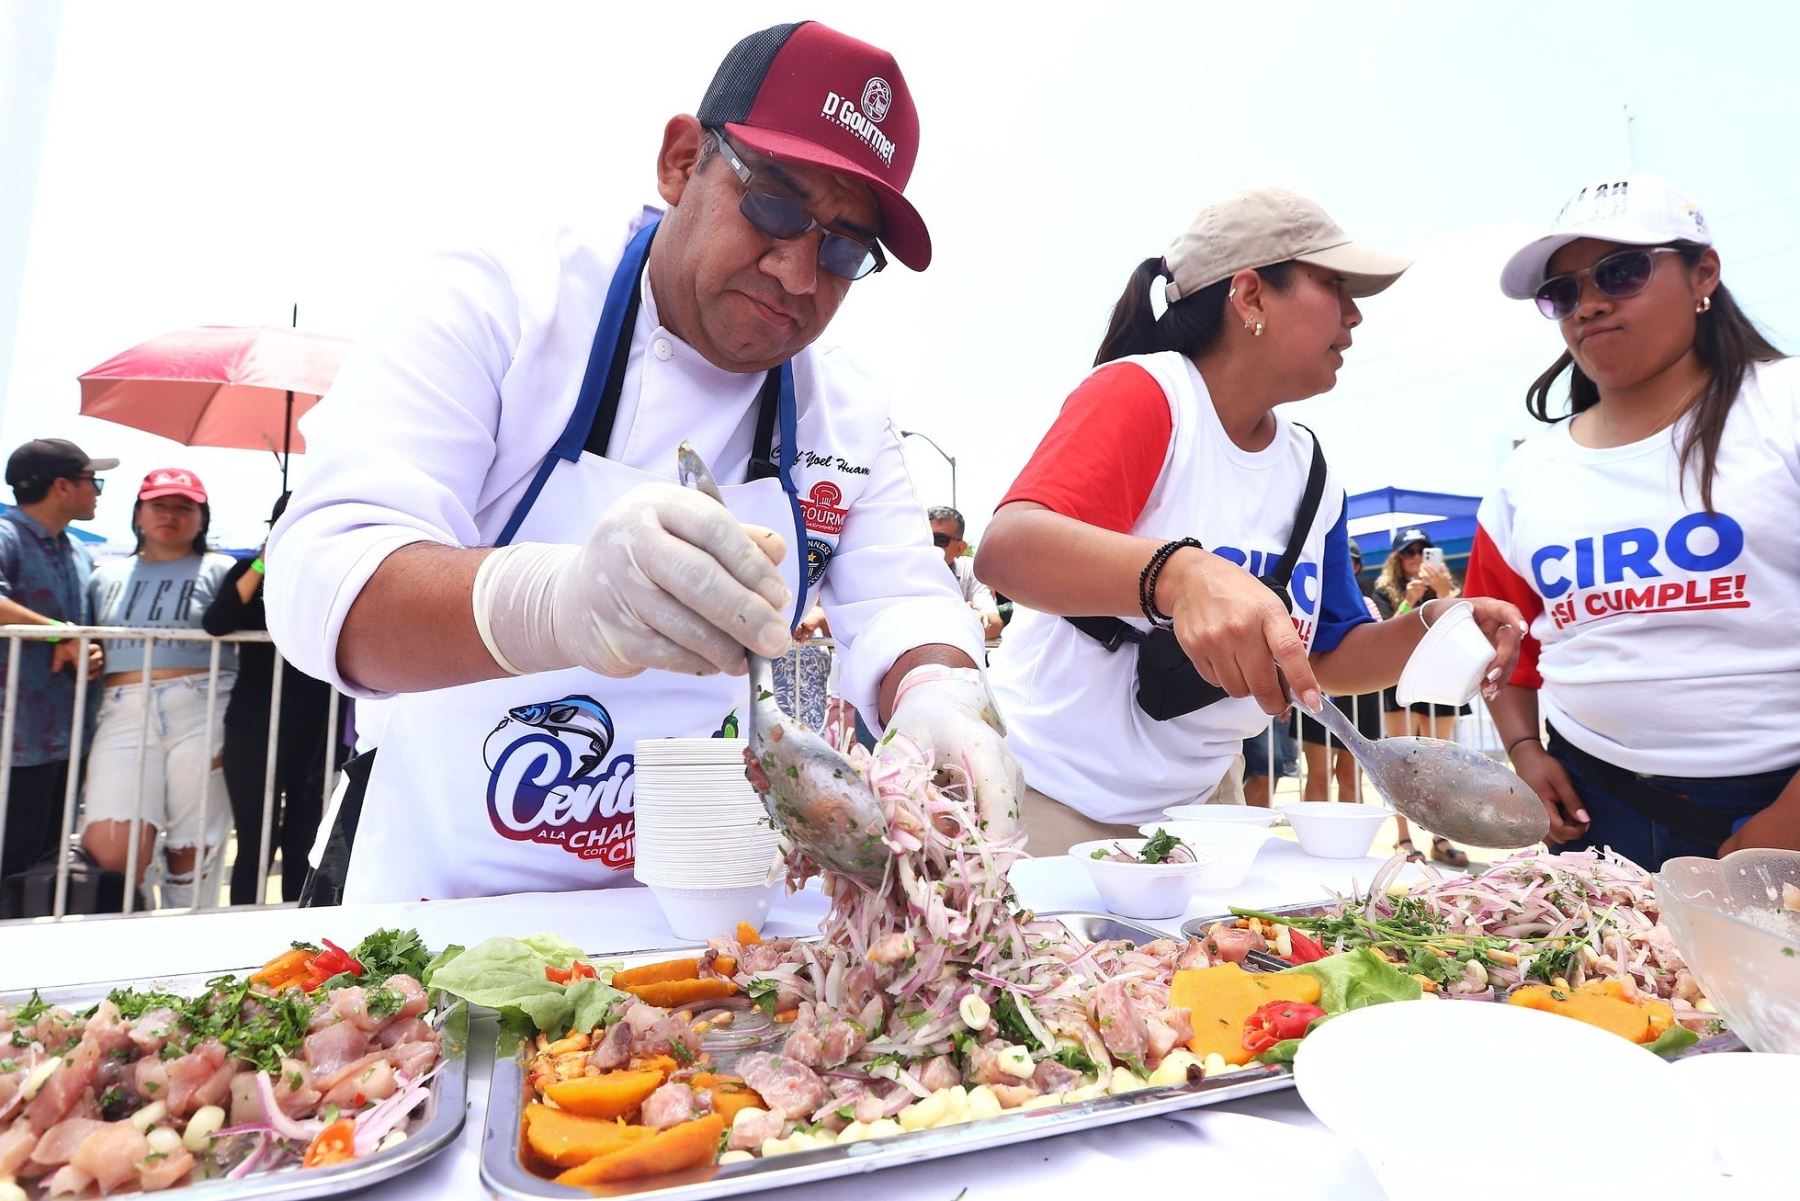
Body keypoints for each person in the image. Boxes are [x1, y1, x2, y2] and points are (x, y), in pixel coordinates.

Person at [264, 21, 1018, 903]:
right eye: (775, 204)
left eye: (847, 248)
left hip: (720, 922)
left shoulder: (841, 408)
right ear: (680, 160)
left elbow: (903, 600)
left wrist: (937, 690)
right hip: (448, 908)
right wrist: (559, 602)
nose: (800, 274)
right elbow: (325, 576)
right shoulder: (503, 301)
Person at [977, 187, 1526, 854]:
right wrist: (1181, 575)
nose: (1354, 315)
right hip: (1050, 795)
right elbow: (1009, 548)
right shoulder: (1149, 395)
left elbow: (1327, 654)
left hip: (1203, 808)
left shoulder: (1310, 469)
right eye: (1334, 285)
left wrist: (1429, 627)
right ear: (1251, 296)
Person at [1466, 173, 1799, 870]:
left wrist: (1789, 818)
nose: (1588, 304)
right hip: (1598, 810)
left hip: (1777, 806)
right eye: (1562, 292)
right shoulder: (1530, 475)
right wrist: (1525, 750)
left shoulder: (1784, 409)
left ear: (1703, 272)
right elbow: (1501, 641)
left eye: (1622, 272)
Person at [81, 468, 237, 907]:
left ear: (202, 517)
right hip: (120, 711)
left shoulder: (223, 570)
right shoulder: (102, 576)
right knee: (111, 852)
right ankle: (127, 947)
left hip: (204, 706)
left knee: (194, 843)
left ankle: (186, 951)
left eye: (185, 506)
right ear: (138, 514)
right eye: (160, 504)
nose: (171, 514)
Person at [202, 493, 335, 904]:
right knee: (255, 841)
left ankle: (295, 932)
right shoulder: (251, 571)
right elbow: (217, 622)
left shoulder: (330, 574)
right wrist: (265, 558)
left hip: (316, 723)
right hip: (253, 721)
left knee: (302, 839)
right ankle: (245, 928)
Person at [0, 439, 111, 877]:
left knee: (43, 863)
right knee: (13, 861)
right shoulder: (6, 537)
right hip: (15, 741)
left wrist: (88, 647)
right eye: (93, 481)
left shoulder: (77, 550)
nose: (98, 492)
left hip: (68, 736)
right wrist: (58, 635)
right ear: (63, 486)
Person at [1371, 527, 1469, 864]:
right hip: (1402, 678)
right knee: (1403, 761)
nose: (1416, 558)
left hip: (1442, 678)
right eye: (1408, 552)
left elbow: (1464, 628)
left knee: (1441, 763)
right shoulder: (1385, 590)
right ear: (1397, 559)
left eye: (1421, 550)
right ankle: (1403, 838)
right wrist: (1410, 601)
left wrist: (1444, 591)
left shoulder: (1447, 587)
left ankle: (1440, 837)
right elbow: (1384, 635)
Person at [1296, 542, 1383, 804]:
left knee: (1350, 775)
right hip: (1317, 693)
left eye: (1351, 561)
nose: (1343, 565)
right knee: (1319, 776)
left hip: (1359, 696)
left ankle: (1348, 844)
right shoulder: (1310, 601)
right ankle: (1313, 843)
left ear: (1356, 566)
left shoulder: (1366, 603)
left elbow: (1376, 649)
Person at [928, 506, 1002, 640]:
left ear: (960, 548)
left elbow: (993, 624)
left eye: (940, 539)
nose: (931, 546)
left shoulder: (970, 570)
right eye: (926, 538)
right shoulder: (902, 569)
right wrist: (964, 619)